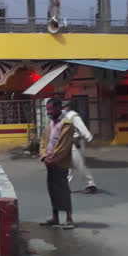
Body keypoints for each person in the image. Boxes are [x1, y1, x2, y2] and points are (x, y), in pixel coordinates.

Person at [39, 97, 77, 230]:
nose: (48, 112)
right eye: (47, 109)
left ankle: (69, 219)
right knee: (52, 191)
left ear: (58, 108)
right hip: (49, 163)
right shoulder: (50, 123)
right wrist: (44, 157)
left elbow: (64, 146)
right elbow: (43, 141)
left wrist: (52, 160)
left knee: (63, 191)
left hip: (60, 164)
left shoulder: (67, 124)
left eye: (50, 109)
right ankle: (55, 218)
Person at [63, 101, 98, 194]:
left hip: (76, 143)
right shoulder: (63, 117)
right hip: (67, 143)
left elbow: (82, 127)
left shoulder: (73, 116)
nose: (63, 108)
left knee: (79, 165)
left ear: (68, 107)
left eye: (64, 106)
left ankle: (91, 184)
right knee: (68, 166)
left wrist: (89, 138)